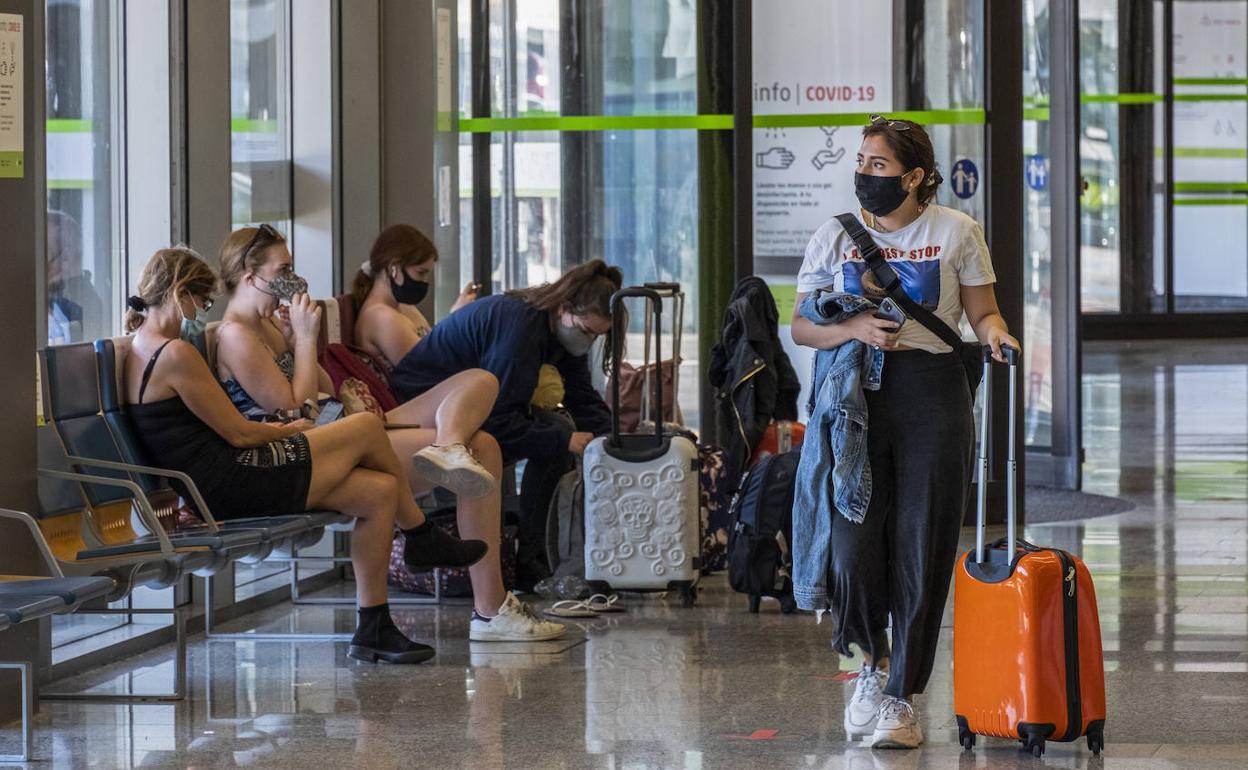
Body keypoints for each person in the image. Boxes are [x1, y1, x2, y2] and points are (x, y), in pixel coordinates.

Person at [121, 246, 491, 664]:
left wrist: (279, 426)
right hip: (230, 483)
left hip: (215, 481)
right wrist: (286, 429)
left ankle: (374, 626)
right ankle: (422, 536)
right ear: (181, 292)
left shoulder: (145, 346)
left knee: (379, 490)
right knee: (367, 427)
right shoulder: (175, 353)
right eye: (203, 302)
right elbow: (240, 434)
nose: (203, 312)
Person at [213, 225, 565, 640]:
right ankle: (490, 609)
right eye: (284, 268)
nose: (294, 277)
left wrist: (296, 341)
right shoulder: (236, 334)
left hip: (342, 430)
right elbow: (296, 407)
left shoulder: (271, 326)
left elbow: (323, 388)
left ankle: (448, 447)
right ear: (252, 275)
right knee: (485, 447)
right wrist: (306, 341)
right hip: (313, 451)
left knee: (481, 383)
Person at [790, 115, 1020, 749]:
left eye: (879, 166)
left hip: (934, 394)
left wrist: (997, 335)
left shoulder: (955, 231)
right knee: (852, 543)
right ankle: (871, 664)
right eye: (861, 162)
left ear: (915, 175)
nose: (865, 174)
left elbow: (982, 311)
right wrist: (852, 330)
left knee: (923, 539)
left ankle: (902, 697)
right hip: (856, 395)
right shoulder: (834, 236)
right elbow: (802, 326)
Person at [357, 252, 621, 590]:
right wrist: (564, 441)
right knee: (552, 435)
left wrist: (615, 441)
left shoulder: (555, 330)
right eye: (586, 331)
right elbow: (500, 418)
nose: (589, 341)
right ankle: (525, 559)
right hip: (423, 406)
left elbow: (581, 397)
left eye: (597, 336)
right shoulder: (520, 327)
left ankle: (530, 555)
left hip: (470, 406)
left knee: (556, 432)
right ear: (564, 307)